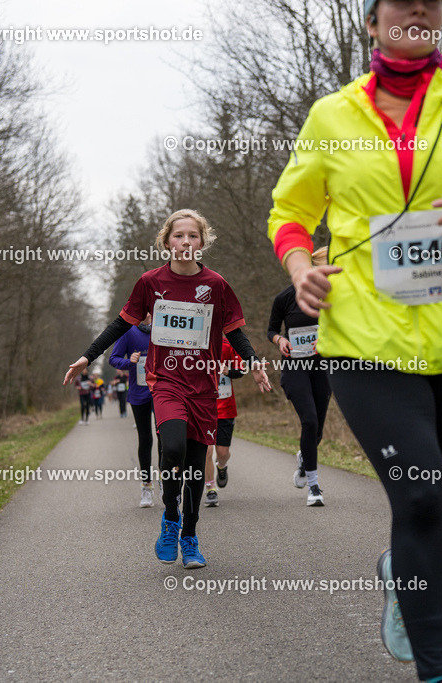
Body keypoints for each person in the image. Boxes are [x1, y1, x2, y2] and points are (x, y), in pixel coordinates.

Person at [267, 0, 442, 679]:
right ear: (372, 21)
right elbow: (291, 213)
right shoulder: (332, 117)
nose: (419, 5)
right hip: (363, 342)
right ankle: (439, 671)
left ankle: (404, 570)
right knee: (423, 495)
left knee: (431, 509)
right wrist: (301, 268)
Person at [65, 209, 271, 569]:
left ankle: (189, 536)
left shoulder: (217, 285)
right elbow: (120, 323)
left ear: (202, 242)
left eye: (193, 235)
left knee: (196, 466)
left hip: (203, 385)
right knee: (172, 448)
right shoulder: (150, 282)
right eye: (179, 235)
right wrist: (87, 356)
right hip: (166, 381)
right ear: (166, 241)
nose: (185, 242)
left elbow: (234, 332)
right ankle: (171, 518)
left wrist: (253, 362)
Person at [268, 247, 332, 506]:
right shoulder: (285, 297)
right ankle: (314, 487)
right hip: (295, 367)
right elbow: (271, 329)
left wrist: (328, 339)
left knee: (317, 431)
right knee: (309, 421)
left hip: (322, 367)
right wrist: (280, 339)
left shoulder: (335, 296)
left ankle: (305, 460)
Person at [110, 314, 159, 507]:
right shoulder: (128, 331)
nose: (146, 312)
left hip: (162, 392)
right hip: (139, 393)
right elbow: (113, 359)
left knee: (164, 437)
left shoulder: (163, 328)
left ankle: (166, 482)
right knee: (145, 439)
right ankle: (146, 486)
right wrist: (129, 361)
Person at [204, 336, 246, 507]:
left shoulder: (228, 344)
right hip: (204, 408)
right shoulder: (197, 343)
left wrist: (228, 371)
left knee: (222, 452)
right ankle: (210, 489)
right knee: (207, 451)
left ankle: (222, 466)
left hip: (225, 408)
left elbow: (241, 370)